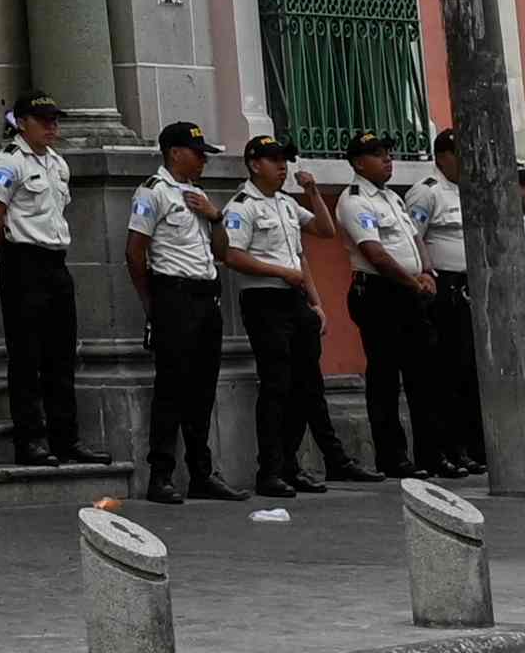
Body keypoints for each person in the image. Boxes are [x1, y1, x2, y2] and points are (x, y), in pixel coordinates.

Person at [223, 137, 350, 494]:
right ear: (254, 164)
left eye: (285, 160)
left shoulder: (286, 203)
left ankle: (290, 465)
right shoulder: (242, 206)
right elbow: (232, 256)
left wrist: (312, 192)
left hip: (296, 300)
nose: (283, 167)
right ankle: (270, 470)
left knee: (305, 385)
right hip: (264, 300)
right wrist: (279, 272)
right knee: (276, 385)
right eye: (274, 160)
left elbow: (324, 231)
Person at [0, 95, 91, 469]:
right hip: (24, 262)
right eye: (43, 120)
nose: (52, 127)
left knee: (61, 356)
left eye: (54, 120)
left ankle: (66, 438)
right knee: (26, 356)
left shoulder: (57, 164)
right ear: (22, 122)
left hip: (55, 262)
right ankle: (30, 439)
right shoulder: (9, 162)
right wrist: (12, 250)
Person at [122, 125, 227, 502]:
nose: (203, 160)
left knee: (203, 390)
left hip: (206, 297)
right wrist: (151, 302)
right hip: (174, 296)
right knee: (171, 389)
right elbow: (135, 251)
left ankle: (201, 473)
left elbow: (222, 252)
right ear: (174, 152)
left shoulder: (199, 194)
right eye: (197, 152)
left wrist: (215, 217)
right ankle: (161, 475)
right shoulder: (153, 191)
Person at [332, 136, 431, 482]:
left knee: (421, 374)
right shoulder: (354, 200)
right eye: (377, 155)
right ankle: (393, 456)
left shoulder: (392, 198)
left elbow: (415, 238)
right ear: (358, 163)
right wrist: (413, 282)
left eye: (388, 154)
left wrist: (427, 271)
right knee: (385, 377)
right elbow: (375, 254)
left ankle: (430, 453)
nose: (388, 160)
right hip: (379, 293)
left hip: (409, 289)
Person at [417, 129, 490, 474]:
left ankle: (470, 447)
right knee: (448, 371)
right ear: (443, 156)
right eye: (460, 153)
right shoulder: (427, 192)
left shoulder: (469, 190)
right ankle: (449, 448)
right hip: (444, 287)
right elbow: (414, 236)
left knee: (470, 370)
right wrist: (427, 274)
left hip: (470, 285)